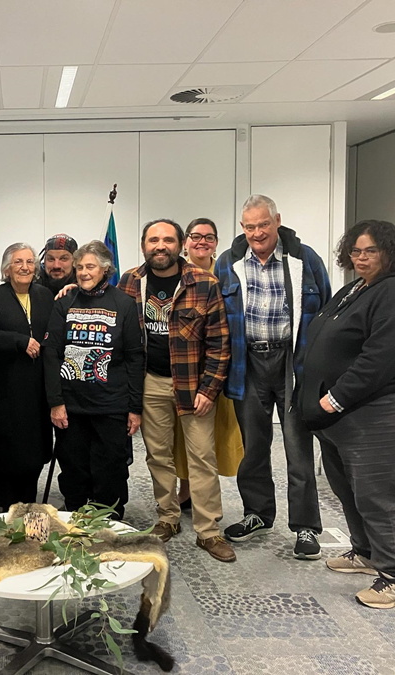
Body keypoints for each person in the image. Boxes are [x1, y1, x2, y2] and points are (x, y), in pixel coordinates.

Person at [299, 220, 395, 609]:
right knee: (347, 485)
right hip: (351, 408)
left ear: (391, 252)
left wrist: (335, 400)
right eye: (356, 251)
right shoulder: (357, 288)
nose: (361, 258)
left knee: (376, 490)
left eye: (371, 251)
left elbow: (382, 357)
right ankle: (365, 552)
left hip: (388, 403)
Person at [215, 195, 330, 560]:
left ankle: (307, 527)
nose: (257, 233)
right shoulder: (228, 262)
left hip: (291, 362)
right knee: (253, 446)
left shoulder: (304, 259)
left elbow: (326, 313)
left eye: (263, 225)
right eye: (249, 227)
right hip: (247, 362)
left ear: (277, 221)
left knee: (298, 447)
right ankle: (257, 514)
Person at [118, 220, 234, 562]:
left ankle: (209, 531)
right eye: (154, 239)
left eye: (168, 239)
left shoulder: (204, 282)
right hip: (149, 382)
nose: (160, 245)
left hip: (193, 384)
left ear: (180, 244)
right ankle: (168, 518)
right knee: (158, 455)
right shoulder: (130, 281)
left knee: (202, 457)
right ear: (143, 245)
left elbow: (219, 342)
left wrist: (209, 389)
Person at [43, 240, 143, 520]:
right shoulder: (65, 302)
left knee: (110, 465)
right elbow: (51, 354)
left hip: (111, 404)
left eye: (90, 267)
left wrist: (135, 408)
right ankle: (75, 511)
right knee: (73, 464)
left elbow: (135, 357)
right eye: (79, 267)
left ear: (105, 269)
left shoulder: (123, 303)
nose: (83, 272)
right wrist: (55, 402)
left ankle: (108, 515)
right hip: (71, 405)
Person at [0, 243, 54, 509]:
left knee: (33, 455)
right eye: (18, 262)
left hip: (37, 391)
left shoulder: (44, 296)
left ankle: (30, 513)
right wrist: (19, 341)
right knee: (7, 455)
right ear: (6, 268)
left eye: (30, 262)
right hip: (6, 390)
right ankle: (7, 517)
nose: (25, 267)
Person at [174, 219, 244, 509]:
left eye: (209, 237)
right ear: (186, 241)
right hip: (184, 366)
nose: (202, 242)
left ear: (217, 242)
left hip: (220, 363)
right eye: (196, 236)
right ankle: (186, 489)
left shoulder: (228, 273)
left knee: (216, 433)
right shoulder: (174, 272)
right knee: (182, 435)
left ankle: (208, 495)